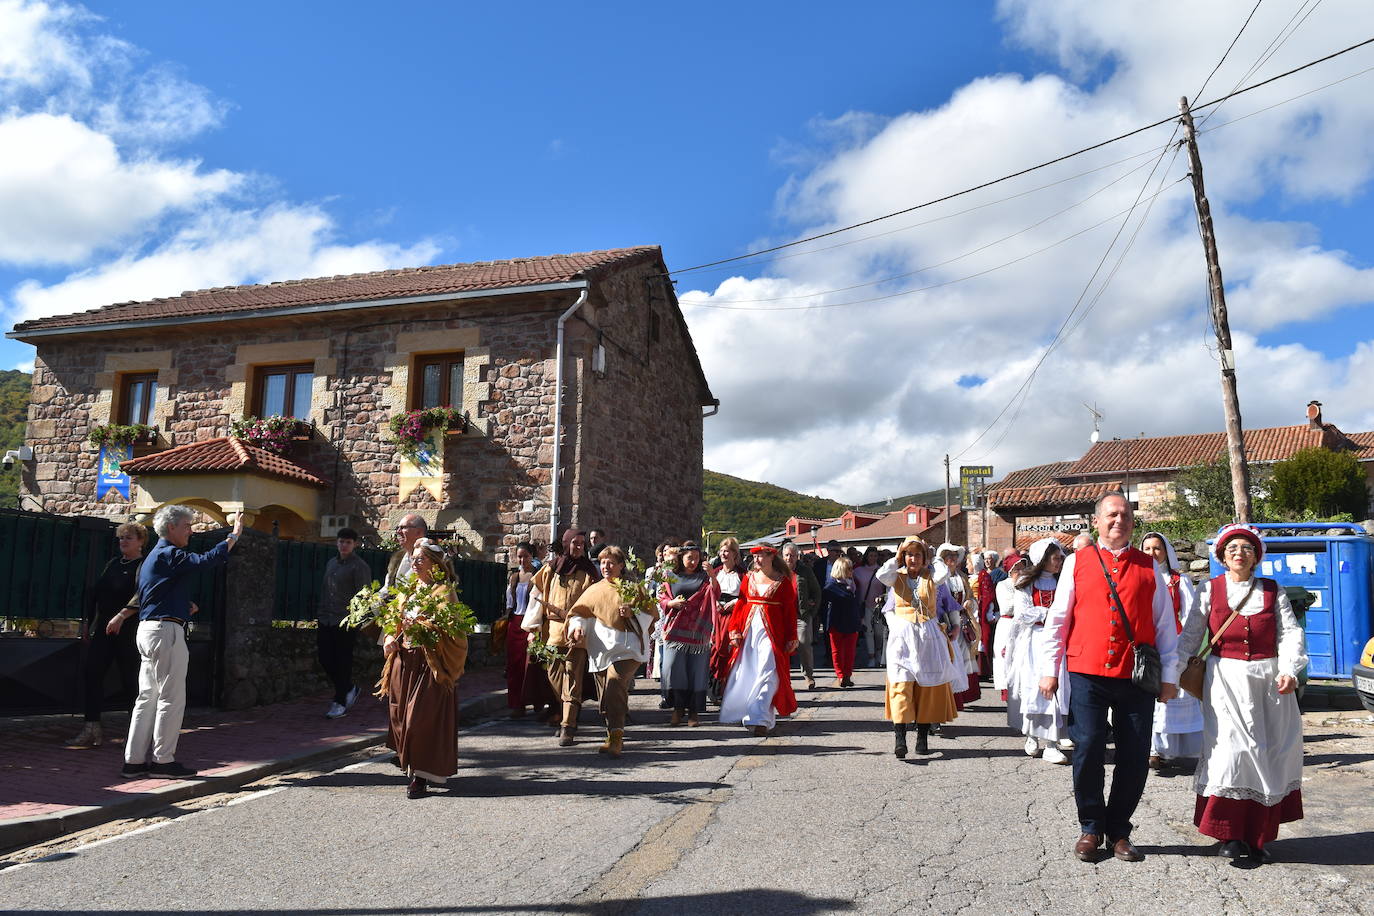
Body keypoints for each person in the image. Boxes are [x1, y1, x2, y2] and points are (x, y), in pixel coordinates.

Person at [1040, 493, 1180, 863]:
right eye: (1112, 515)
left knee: (1134, 754)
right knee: (1087, 749)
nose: (1119, 521)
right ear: (1097, 521)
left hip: (1136, 675)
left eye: (1126, 515)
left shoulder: (1150, 567)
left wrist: (1170, 677)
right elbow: (1058, 619)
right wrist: (1048, 669)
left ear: (1133, 522)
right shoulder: (1076, 562)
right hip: (1086, 671)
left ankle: (1119, 830)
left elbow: (1165, 627)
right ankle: (1091, 826)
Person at [1179, 524, 1306, 866]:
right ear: (1221, 556)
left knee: (1268, 755)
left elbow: (1290, 633)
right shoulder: (1210, 589)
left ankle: (1258, 836)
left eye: (1246, 548)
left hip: (1269, 682)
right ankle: (1230, 835)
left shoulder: (1272, 591)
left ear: (1256, 557)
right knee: (1231, 754)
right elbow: (1191, 635)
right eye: (1232, 548)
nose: (1239, 553)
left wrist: (1289, 669)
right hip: (1225, 681)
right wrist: (1170, 675)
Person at [122, 506, 244, 779]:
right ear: (172, 527)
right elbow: (204, 561)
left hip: (149, 629)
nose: (191, 530)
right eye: (187, 525)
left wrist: (179, 604)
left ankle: (134, 761)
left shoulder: (154, 557)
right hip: (166, 632)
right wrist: (233, 536)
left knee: (147, 698)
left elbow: (152, 593)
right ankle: (163, 761)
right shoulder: (168, 553)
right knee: (171, 697)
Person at [383, 538, 468, 798]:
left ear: (435, 564)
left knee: (416, 720)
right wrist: (389, 637)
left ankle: (420, 777)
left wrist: (422, 627)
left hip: (429, 664)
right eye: (413, 559)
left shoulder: (444, 592)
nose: (414, 562)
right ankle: (412, 766)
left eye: (420, 559)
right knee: (399, 717)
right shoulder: (408, 590)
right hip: (404, 662)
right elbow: (392, 620)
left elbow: (454, 632)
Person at [567, 545, 659, 757]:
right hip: (601, 649)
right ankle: (612, 733)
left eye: (610, 563)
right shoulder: (594, 590)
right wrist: (578, 627)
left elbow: (652, 616)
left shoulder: (634, 588)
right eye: (602, 562)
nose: (606, 566)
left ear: (620, 566)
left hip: (628, 648)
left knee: (615, 682)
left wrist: (632, 613)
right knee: (606, 694)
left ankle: (617, 736)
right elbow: (579, 613)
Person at [877, 537, 962, 757]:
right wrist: (896, 558)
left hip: (928, 637)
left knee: (927, 688)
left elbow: (944, 575)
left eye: (917, 554)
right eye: (908, 554)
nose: (912, 559)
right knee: (900, 686)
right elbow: (881, 575)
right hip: (902, 639)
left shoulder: (932, 576)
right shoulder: (895, 575)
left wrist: (933, 559)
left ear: (924, 558)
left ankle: (922, 738)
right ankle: (900, 738)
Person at [72, 523, 148, 747]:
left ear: (141, 541)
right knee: (92, 673)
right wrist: (88, 622)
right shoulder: (113, 564)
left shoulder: (143, 566)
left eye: (129, 538)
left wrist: (122, 616)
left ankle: (136, 734)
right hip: (104, 629)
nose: (123, 542)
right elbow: (95, 593)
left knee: (131, 680)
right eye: (121, 538)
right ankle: (91, 728)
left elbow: (141, 596)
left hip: (129, 631)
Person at [524, 528, 601, 746]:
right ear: (566, 544)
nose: (579, 547)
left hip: (577, 632)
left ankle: (568, 725)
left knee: (573, 679)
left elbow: (594, 603)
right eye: (575, 543)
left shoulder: (588, 572)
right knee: (555, 678)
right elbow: (536, 598)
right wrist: (533, 629)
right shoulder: (550, 569)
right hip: (552, 632)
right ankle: (568, 708)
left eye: (582, 544)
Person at [1140, 532, 1204, 770]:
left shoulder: (1179, 580)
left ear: (1166, 551)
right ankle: (1153, 749)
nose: (1152, 553)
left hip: (1174, 645)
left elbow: (1190, 616)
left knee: (1173, 695)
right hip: (1147, 646)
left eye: (1157, 548)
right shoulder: (1139, 577)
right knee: (1151, 697)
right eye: (1147, 549)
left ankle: (1171, 749)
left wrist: (1184, 648)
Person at [719, 546, 799, 736]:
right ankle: (756, 713)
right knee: (749, 671)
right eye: (754, 557)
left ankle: (760, 718)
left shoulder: (783, 581)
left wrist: (792, 636)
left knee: (768, 670)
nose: (756, 560)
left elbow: (789, 612)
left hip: (773, 635)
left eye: (761, 556)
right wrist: (735, 630)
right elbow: (740, 605)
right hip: (750, 632)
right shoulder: (748, 578)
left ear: (771, 557)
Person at [1006, 538, 1071, 765]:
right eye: (1055, 558)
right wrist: (1051, 614)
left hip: (1059, 643)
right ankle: (1031, 735)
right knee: (1035, 689)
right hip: (1035, 642)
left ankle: (1052, 743)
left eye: (1061, 558)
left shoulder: (1063, 581)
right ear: (1043, 560)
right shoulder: (1026, 583)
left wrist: (1049, 614)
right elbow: (1023, 614)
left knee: (1056, 690)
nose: (1059, 561)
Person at [658, 541, 718, 727]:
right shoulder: (670, 576)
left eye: (696, 558)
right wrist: (670, 603)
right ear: (681, 558)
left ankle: (693, 712)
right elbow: (660, 596)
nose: (693, 561)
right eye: (689, 558)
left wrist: (712, 575)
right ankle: (677, 708)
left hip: (698, 633)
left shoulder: (704, 577)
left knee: (696, 672)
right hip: (674, 630)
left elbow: (716, 593)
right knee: (672, 668)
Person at [317, 527, 372, 719]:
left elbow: (364, 595)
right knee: (324, 657)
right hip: (326, 617)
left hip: (346, 620)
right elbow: (326, 590)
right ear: (336, 543)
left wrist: (356, 619)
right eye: (341, 541)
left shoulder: (359, 566)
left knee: (342, 661)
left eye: (348, 542)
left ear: (355, 544)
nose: (344, 545)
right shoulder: (331, 563)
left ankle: (339, 701)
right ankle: (348, 688)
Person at [936, 543, 980, 711]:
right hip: (946, 621)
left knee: (963, 657)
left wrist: (971, 603)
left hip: (962, 621)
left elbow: (971, 597)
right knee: (951, 657)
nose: (952, 560)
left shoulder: (962, 577)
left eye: (955, 557)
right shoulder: (940, 578)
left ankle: (963, 695)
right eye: (949, 557)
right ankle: (950, 697)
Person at [504, 542, 542, 719]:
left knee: (531, 666)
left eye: (525, 556)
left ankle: (536, 702)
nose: (522, 559)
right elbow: (509, 604)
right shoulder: (513, 578)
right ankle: (516, 704)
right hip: (515, 623)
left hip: (530, 623)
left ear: (531, 556)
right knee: (514, 666)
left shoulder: (537, 577)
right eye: (519, 556)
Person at [782, 542, 820, 690]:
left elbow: (816, 592)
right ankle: (784, 677)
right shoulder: (777, 570)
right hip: (782, 615)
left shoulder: (805, 571)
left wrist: (812, 612)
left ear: (797, 556)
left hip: (801, 615)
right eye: (786, 555)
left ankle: (808, 676)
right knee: (782, 646)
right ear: (782, 556)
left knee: (804, 644)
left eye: (792, 555)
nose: (789, 558)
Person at [992, 556, 1030, 700]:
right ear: (1010, 571)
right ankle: (1008, 693)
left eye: (1022, 569)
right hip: (1008, 625)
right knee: (1006, 657)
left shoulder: (1027, 584)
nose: (1020, 572)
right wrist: (1022, 603)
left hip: (1023, 626)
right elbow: (1007, 607)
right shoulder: (1003, 585)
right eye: (1017, 569)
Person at [823, 557, 863, 688]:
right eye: (849, 568)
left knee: (850, 652)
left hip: (852, 622)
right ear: (841, 569)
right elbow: (824, 606)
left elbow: (857, 602)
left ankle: (847, 675)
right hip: (836, 623)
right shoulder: (831, 586)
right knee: (837, 652)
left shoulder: (853, 583)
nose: (852, 571)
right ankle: (840, 676)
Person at [854, 546, 887, 670]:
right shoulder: (858, 571)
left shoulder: (882, 571)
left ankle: (878, 652)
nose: (873, 558)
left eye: (875, 556)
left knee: (879, 633)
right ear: (866, 557)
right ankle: (871, 657)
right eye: (870, 556)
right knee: (868, 632)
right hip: (865, 605)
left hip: (879, 607)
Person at [385, 514, 428, 589]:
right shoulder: (397, 559)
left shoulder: (433, 558)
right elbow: (387, 588)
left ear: (419, 532)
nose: (398, 531)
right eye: (397, 528)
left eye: (403, 527)